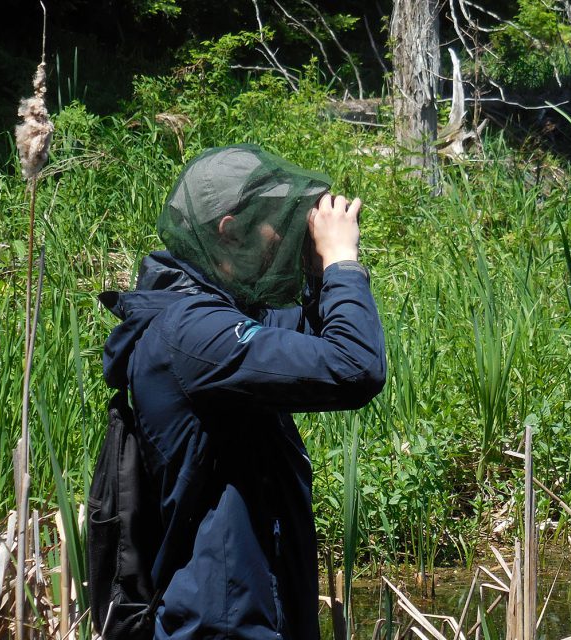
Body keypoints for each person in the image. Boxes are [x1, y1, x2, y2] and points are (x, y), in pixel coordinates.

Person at [100, 144, 386, 639]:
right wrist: (342, 263)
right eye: (277, 222)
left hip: (246, 614)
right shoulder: (194, 333)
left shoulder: (217, 315)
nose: (288, 234)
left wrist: (319, 276)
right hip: (222, 623)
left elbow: (314, 345)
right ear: (229, 231)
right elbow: (354, 365)